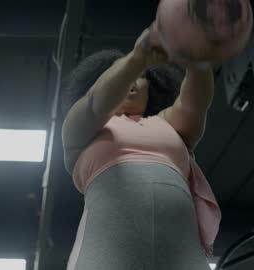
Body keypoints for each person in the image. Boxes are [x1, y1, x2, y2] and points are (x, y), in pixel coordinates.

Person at [61, 28, 221, 270]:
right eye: (117, 75)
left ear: (152, 85)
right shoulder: (82, 131)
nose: (132, 82)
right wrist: (137, 59)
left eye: (141, 76)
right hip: (106, 253)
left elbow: (195, 102)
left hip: (182, 253)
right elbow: (97, 103)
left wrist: (197, 57)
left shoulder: (169, 124)